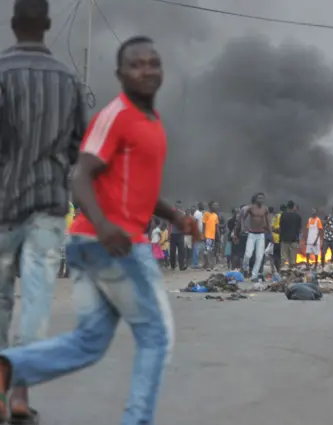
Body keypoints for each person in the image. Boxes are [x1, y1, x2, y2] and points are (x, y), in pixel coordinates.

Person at [0, 35, 201, 425]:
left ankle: (8, 368)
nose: (146, 71)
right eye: (136, 64)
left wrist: (176, 217)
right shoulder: (117, 115)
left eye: (153, 63)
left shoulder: (151, 121)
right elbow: (81, 176)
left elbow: (138, 190)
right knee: (157, 338)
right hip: (111, 243)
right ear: (120, 74)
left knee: (89, 342)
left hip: (99, 243)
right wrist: (106, 226)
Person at [0, 1, 88, 421]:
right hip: (49, 210)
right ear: (48, 25)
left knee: (0, 301)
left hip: (2, 206)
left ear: (14, 24)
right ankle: (19, 395)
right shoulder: (69, 80)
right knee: (35, 302)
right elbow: (78, 149)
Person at [237, 193, 270, 281]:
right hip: (252, 234)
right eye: (259, 198)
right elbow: (242, 219)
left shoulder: (265, 209)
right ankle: (245, 268)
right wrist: (243, 227)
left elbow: (268, 222)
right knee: (248, 254)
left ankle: (254, 276)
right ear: (256, 199)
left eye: (262, 198)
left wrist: (271, 235)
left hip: (261, 234)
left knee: (259, 256)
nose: (261, 200)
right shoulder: (251, 208)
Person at [279, 201, 302, 268]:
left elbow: (281, 227)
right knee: (293, 258)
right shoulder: (298, 216)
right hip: (294, 239)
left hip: (284, 239)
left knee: (283, 257)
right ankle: (292, 272)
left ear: (287, 207)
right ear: (293, 207)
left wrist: (281, 238)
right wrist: (298, 239)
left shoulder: (283, 215)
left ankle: (283, 272)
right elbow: (299, 229)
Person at [169, 200, 186, 270]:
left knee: (181, 250)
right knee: (172, 251)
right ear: (175, 205)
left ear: (181, 206)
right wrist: (168, 233)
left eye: (179, 205)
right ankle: (173, 266)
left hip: (180, 234)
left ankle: (181, 266)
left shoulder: (183, 213)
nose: (178, 206)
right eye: (177, 205)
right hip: (173, 234)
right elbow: (169, 223)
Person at [202, 201, 219, 269]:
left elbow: (216, 226)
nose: (216, 207)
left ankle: (208, 265)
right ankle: (207, 265)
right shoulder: (206, 214)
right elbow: (204, 225)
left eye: (217, 205)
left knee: (211, 251)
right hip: (207, 235)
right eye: (214, 205)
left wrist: (218, 235)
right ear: (210, 206)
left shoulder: (215, 215)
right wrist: (203, 235)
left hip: (213, 236)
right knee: (207, 250)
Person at [271, 204, 285, 272]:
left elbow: (272, 226)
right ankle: (280, 269)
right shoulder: (285, 216)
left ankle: (277, 269)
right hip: (282, 238)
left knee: (275, 255)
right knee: (280, 255)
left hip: (274, 238)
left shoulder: (275, 216)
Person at [191, 202, 205, 268]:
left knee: (200, 248)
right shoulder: (197, 213)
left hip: (201, 233)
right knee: (196, 248)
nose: (203, 206)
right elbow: (195, 223)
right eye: (202, 205)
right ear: (199, 206)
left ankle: (197, 263)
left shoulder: (202, 213)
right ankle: (194, 263)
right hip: (197, 233)